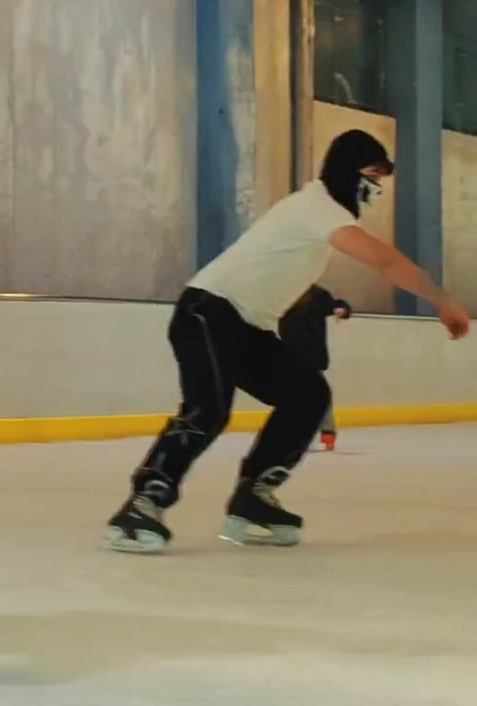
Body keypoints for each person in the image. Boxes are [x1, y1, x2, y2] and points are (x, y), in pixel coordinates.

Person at [104, 129, 470, 554]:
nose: (377, 188)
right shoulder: (318, 207)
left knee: (307, 394)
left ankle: (254, 496)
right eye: (372, 176)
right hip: (207, 313)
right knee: (208, 410)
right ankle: (143, 503)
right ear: (348, 171)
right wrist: (441, 299)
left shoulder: (322, 212)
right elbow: (384, 261)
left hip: (245, 325)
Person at [279, 285, 352, 451]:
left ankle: (327, 432)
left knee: (318, 394)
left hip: (311, 355)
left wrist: (341, 309)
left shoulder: (317, 295)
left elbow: (336, 304)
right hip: (287, 354)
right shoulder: (282, 292)